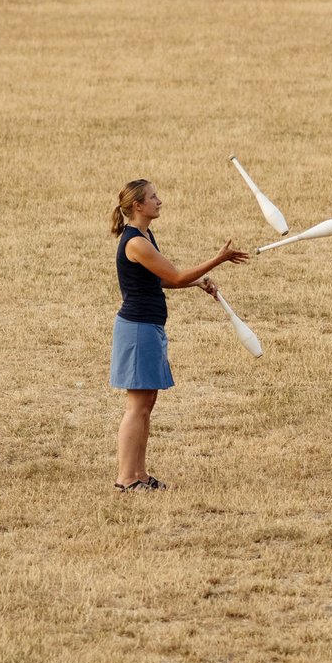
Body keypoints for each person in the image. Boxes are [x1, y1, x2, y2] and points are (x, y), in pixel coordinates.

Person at [108, 179, 249, 491]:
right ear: (138, 206)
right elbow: (174, 274)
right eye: (153, 197)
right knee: (137, 405)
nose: (160, 201)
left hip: (149, 327)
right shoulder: (135, 243)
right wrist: (218, 259)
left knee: (147, 402)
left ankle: (140, 475)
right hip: (137, 330)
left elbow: (159, 281)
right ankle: (125, 479)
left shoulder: (146, 236)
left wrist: (196, 283)